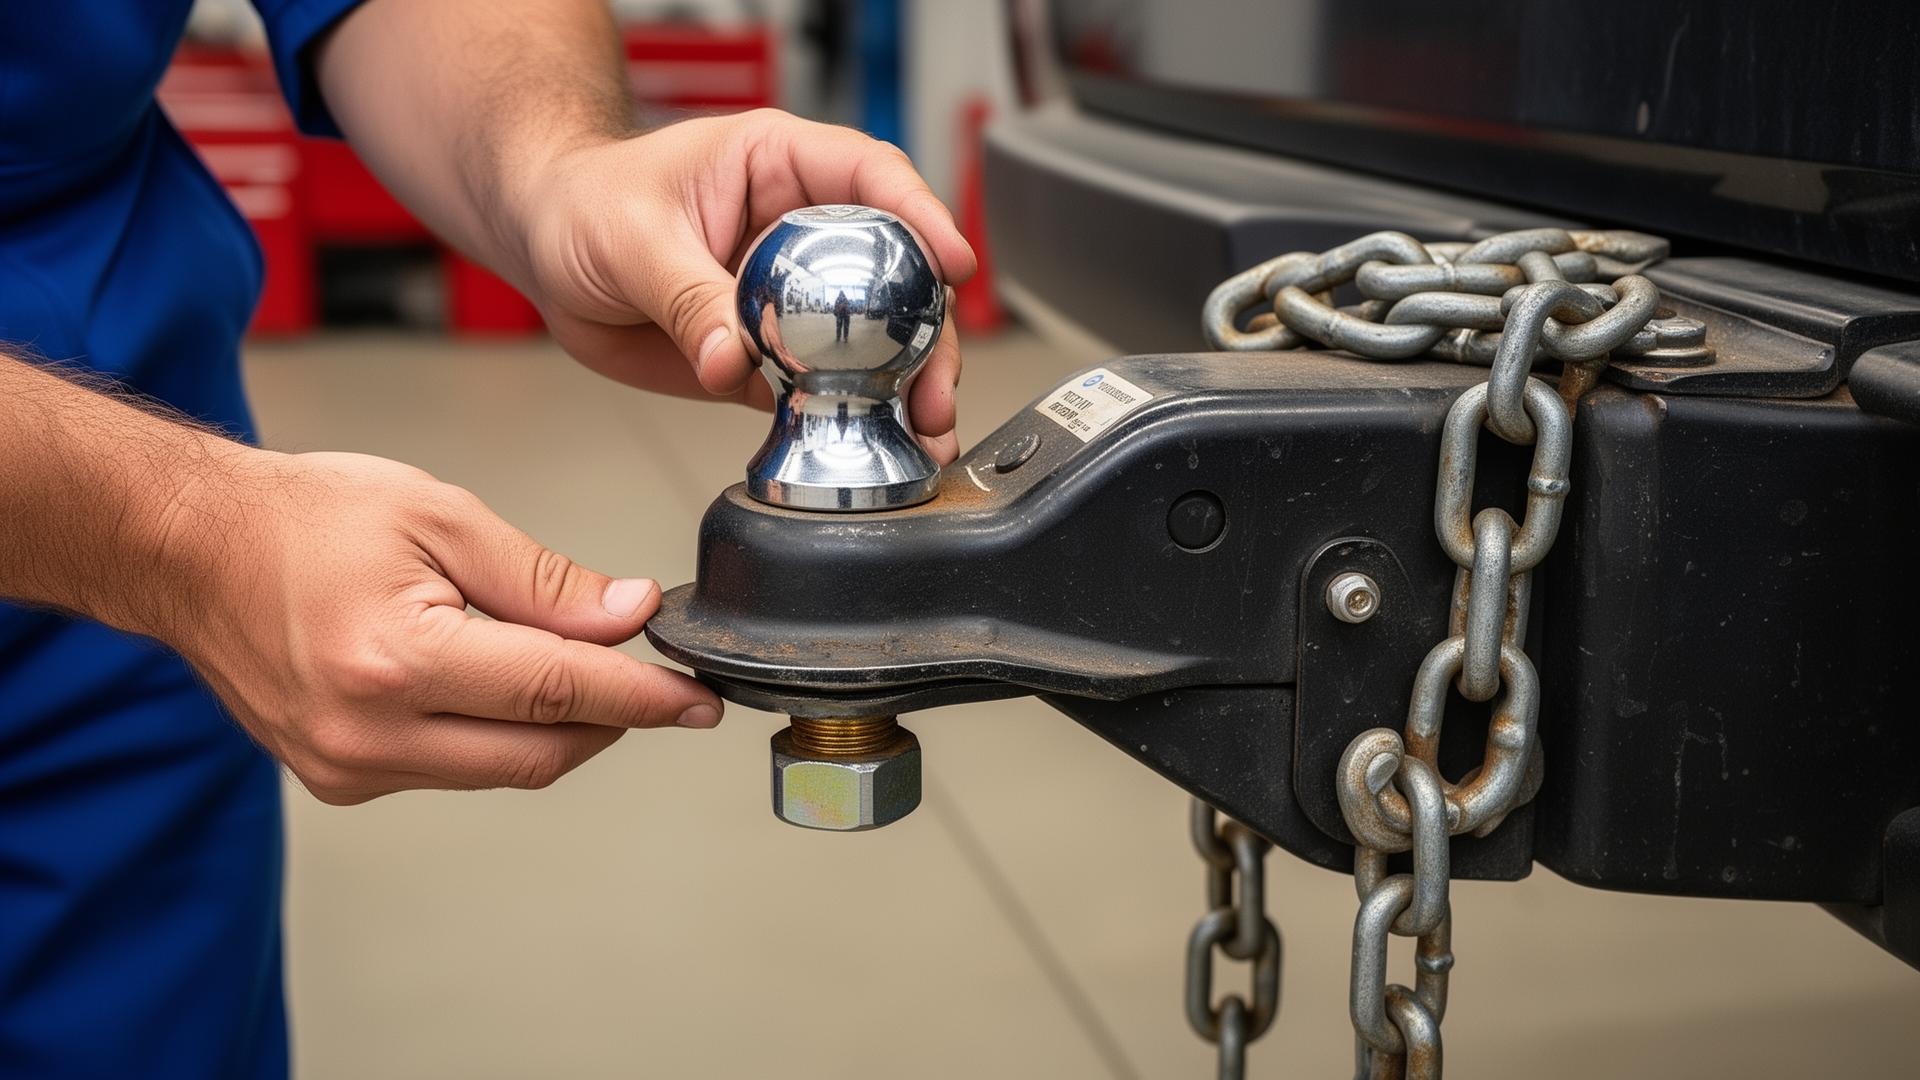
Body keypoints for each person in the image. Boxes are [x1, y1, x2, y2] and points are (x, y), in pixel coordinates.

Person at [0, 2, 973, 1077]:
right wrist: (177, 533)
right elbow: (174, 536)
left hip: (124, 651)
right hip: (153, 534)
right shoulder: (178, 542)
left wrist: (556, 168)